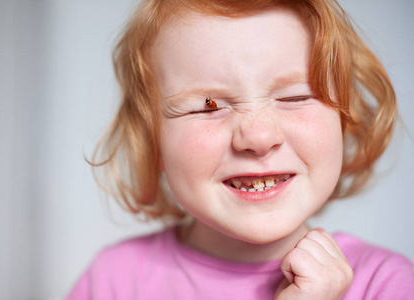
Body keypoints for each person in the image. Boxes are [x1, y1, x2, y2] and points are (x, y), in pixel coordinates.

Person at [67, 0, 414, 299]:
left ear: (343, 120)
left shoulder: (386, 284)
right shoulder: (113, 281)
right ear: (153, 142)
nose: (259, 136)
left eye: (295, 96)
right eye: (208, 106)